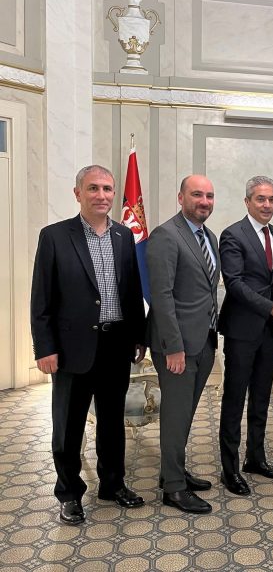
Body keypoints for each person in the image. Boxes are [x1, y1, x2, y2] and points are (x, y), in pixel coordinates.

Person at [30, 165, 146, 526]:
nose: (102, 195)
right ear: (78, 193)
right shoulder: (54, 236)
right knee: (68, 426)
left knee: (112, 422)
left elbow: (132, 291)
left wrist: (138, 336)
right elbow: (41, 297)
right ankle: (69, 493)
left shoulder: (124, 236)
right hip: (71, 349)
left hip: (116, 345)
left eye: (108, 189)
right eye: (93, 188)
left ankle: (112, 484)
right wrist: (44, 347)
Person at [146, 175, 220, 514]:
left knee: (185, 413)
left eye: (209, 196)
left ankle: (172, 471)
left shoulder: (209, 237)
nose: (204, 201)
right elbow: (161, 296)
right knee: (175, 416)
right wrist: (173, 347)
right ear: (181, 198)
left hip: (204, 340)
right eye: (196, 195)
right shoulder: (166, 235)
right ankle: (174, 489)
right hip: (177, 346)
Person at [218, 176, 273, 496]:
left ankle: (255, 458)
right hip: (241, 330)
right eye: (261, 199)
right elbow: (234, 283)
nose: (267, 205)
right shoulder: (232, 234)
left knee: (261, 397)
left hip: (268, 331)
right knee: (235, 399)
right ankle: (230, 469)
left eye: (271, 199)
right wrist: (270, 308)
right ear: (247, 201)